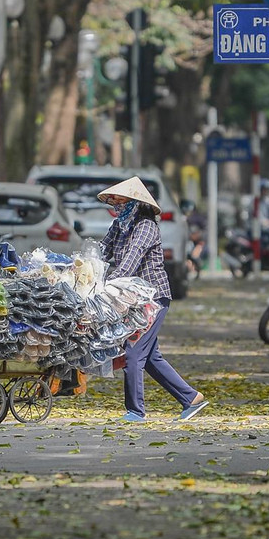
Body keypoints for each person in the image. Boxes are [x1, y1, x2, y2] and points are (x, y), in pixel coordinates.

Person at [98, 177, 208, 423]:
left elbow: (130, 260)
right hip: (132, 299)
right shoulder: (119, 226)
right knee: (151, 357)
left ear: (135, 202)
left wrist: (108, 284)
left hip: (153, 299)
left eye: (120, 198)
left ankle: (136, 411)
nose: (115, 202)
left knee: (134, 352)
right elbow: (102, 251)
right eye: (114, 199)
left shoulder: (146, 226)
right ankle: (190, 398)